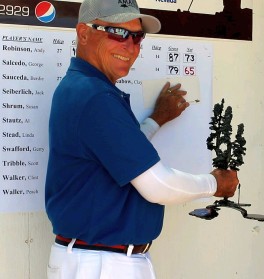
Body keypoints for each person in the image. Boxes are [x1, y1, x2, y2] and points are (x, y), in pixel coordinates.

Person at [45, 0, 239, 278]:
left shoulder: (83, 88)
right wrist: (215, 184)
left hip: (96, 258)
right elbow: (158, 185)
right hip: (102, 264)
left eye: (137, 36)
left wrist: (155, 120)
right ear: (84, 33)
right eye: (118, 33)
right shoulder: (95, 96)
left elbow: (116, 152)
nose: (131, 46)